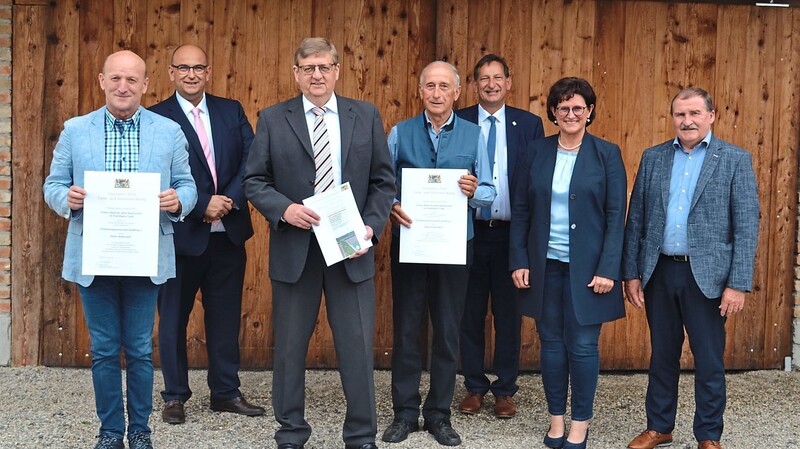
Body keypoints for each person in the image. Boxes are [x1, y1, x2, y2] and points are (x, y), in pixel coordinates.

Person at [242, 37, 395, 449]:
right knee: (290, 351)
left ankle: (361, 436)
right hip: (297, 251)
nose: (316, 75)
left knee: (357, 349)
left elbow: (383, 182)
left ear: (337, 71)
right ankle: (290, 433)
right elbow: (254, 180)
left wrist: (371, 226)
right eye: (308, 68)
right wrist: (284, 209)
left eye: (324, 67)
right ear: (296, 74)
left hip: (351, 249)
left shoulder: (364, 115)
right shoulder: (274, 119)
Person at [42, 50, 198, 449]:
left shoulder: (168, 131)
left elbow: (188, 185)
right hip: (95, 256)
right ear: (101, 81)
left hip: (145, 256)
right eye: (115, 78)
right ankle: (111, 432)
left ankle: (140, 431)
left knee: (142, 350)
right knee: (105, 350)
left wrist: (178, 202)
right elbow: (53, 185)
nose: (123, 86)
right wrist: (68, 199)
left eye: (131, 79)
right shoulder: (76, 130)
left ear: (145, 85)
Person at [622, 87, 759, 449]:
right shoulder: (653, 158)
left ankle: (709, 435)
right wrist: (632, 272)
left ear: (711, 116)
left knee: (709, 360)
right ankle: (659, 426)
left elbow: (746, 226)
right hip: (660, 272)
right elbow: (636, 219)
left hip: (709, 278)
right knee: (662, 355)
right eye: (681, 114)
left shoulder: (734, 159)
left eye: (695, 113)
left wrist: (738, 284)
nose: (688, 121)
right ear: (673, 118)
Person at [382, 61, 495, 447]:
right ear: (420, 90)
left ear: (457, 92)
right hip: (411, 243)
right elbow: (380, 183)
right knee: (407, 330)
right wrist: (392, 204)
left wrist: (473, 190)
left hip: (454, 245)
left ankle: (439, 415)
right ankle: (404, 413)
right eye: (429, 85)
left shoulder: (473, 134)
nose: (436, 93)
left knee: (448, 332)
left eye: (443, 86)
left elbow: (490, 191)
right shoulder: (399, 133)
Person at [509, 77, 627, 449]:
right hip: (545, 267)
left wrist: (609, 268)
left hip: (589, 272)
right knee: (552, 345)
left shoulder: (607, 154)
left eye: (578, 107)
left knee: (583, 347)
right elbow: (522, 211)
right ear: (554, 113)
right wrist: (519, 259)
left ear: (589, 112)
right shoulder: (536, 152)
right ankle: (556, 420)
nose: (571, 114)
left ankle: (580, 423)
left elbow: (615, 216)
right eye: (563, 108)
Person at [150, 44, 264, 425]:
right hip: (180, 236)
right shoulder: (156, 118)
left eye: (198, 67)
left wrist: (227, 200)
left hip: (227, 234)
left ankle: (225, 392)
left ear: (208, 70)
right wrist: (201, 205)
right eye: (183, 68)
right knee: (173, 319)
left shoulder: (230, 110)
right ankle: (175, 396)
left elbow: (253, 160)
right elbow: (157, 177)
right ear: (171, 72)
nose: (191, 74)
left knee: (225, 317)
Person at [455, 54, 544, 419]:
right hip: (468, 232)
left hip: (512, 234)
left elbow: (537, 181)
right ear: (475, 85)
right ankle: (475, 386)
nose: (491, 84)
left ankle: (505, 389)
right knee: (469, 312)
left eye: (497, 77)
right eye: (483, 78)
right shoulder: (459, 120)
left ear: (509, 82)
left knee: (509, 315)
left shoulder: (529, 124)